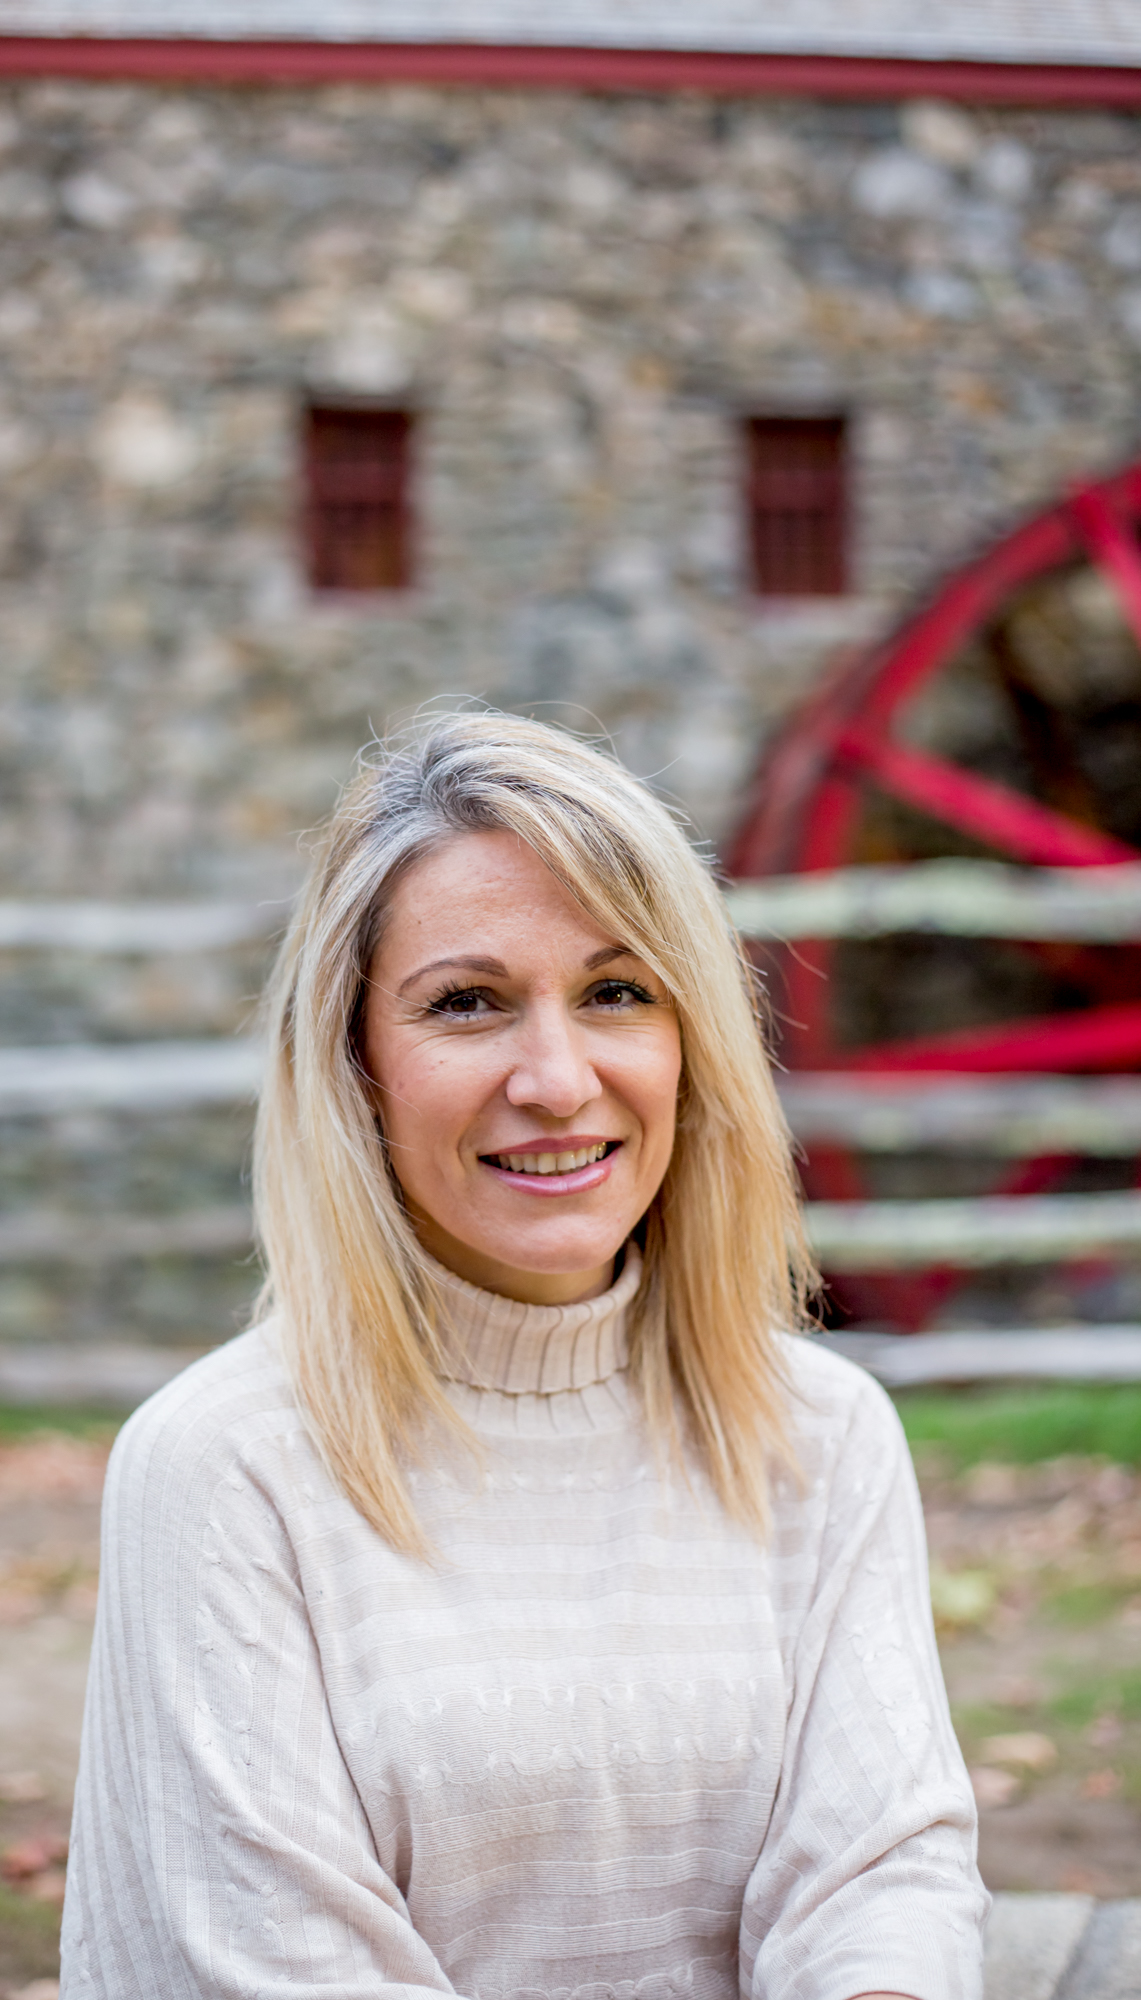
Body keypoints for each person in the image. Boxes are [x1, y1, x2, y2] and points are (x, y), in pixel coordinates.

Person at [62, 712, 986, 2000]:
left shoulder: (820, 1433)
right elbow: (270, 1966)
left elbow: (878, 1882)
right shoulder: (222, 1470)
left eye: (617, 991)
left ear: (693, 1041)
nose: (555, 1080)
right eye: (467, 1004)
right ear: (355, 1066)